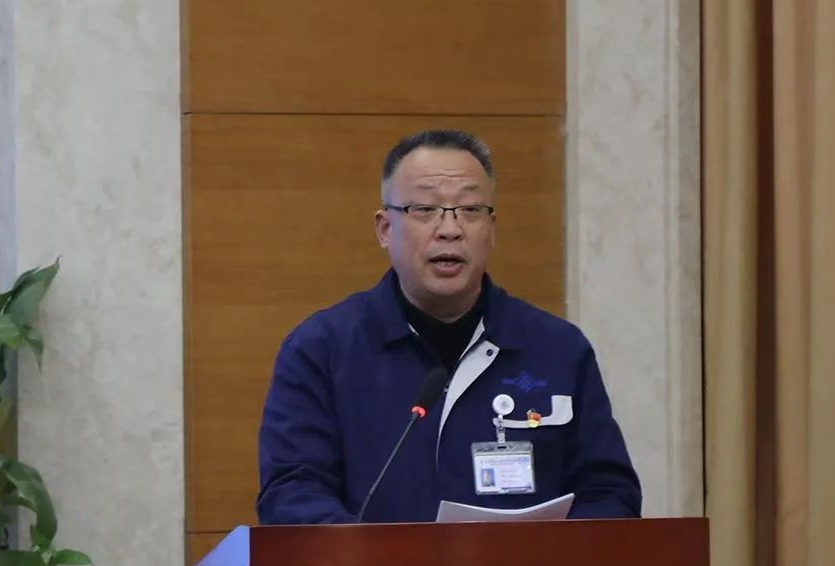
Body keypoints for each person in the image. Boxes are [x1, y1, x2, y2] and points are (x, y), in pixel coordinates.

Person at [256, 129, 642, 524]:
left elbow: (609, 493)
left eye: (470, 209)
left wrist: (551, 556)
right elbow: (293, 493)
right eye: (425, 209)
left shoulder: (558, 349)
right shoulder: (322, 350)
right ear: (385, 229)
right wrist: (376, 557)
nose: (450, 229)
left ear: (491, 229)